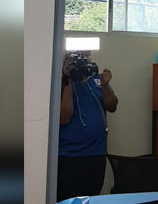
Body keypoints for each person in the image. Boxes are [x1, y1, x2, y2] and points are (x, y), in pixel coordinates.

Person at [57, 51, 118, 202]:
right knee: (68, 199)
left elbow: (112, 106)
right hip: (69, 156)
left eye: (87, 55)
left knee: (91, 197)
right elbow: (63, 117)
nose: (84, 60)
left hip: (96, 153)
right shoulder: (60, 83)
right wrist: (69, 80)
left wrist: (105, 85)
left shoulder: (97, 79)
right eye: (79, 56)